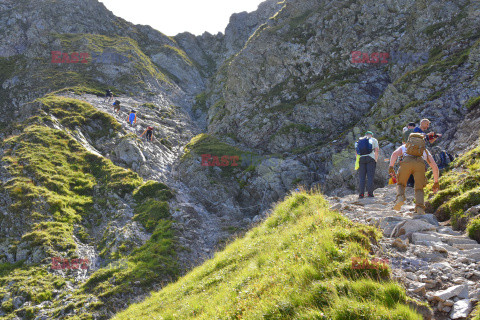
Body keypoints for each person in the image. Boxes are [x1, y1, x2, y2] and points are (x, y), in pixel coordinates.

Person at [389, 133, 440, 215]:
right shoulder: (424, 150)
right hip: (420, 165)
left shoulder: (405, 147)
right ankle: (420, 208)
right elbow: (434, 166)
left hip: (406, 163)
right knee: (419, 188)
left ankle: (400, 197)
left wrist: (391, 166)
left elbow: (394, 154)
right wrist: (436, 182)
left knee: (401, 183)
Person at [355, 131, 379, 198]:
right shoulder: (374, 140)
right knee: (370, 177)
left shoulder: (359, 141)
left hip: (361, 159)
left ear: (365, 135)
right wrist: (375, 159)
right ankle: (370, 194)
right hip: (370, 159)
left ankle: (361, 194)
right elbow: (376, 150)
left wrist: (358, 161)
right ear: (372, 135)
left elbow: (357, 153)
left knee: (362, 178)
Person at [402, 122, 416, 187]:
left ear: (409, 126)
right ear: (414, 126)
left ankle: (409, 182)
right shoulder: (417, 132)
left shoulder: (405, 133)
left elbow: (403, 143)